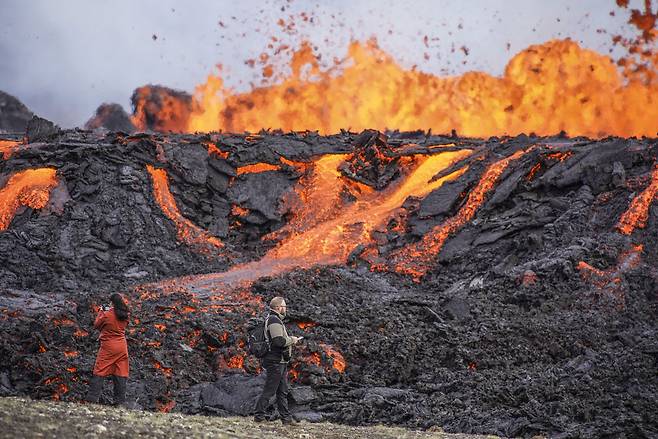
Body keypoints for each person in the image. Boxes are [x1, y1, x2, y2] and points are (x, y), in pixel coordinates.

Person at [254, 296, 302, 425]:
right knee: (270, 390)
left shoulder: (275, 319)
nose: (285, 309)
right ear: (278, 308)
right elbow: (278, 341)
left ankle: (286, 419)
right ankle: (259, 416)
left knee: (282, 391)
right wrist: (293, 339)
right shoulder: (274, 320)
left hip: (280, 361)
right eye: (284, 306)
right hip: (275, 361)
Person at [86, 293, 130, 406]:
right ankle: (119, 402)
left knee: (100, 370)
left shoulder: (107, 314)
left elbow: (96, 325)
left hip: (108, 347)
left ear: (112, 303)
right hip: (122, 347)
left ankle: (92, 399)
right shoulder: (125, 314)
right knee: (121, 372)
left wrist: (101, 311)